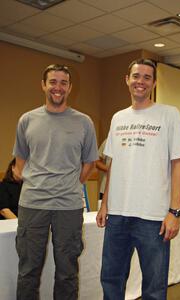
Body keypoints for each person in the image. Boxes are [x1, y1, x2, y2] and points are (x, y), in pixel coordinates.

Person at [96, 59, 180, 300]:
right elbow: (113, 164)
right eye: (136, 76)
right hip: (117, 216)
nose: (141, 81)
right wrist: (105, 204)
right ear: (127, 80)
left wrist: (174, 212)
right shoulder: (118, 118)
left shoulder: (169, 115)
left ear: (154, 83)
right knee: (111, 280)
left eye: (147, 77)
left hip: (153, 217)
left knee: (154, 287)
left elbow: (178, 164)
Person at [13, 64, 98, 300]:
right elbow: (20, 162)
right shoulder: (27, 120)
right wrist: (37, 183)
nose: (57, 87)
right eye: (52, 82)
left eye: (63, 83)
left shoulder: (84, 122)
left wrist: (70, 183)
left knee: (67, 272)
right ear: (43, 85)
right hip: (32, 205)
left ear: (70, 87)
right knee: (28, 270)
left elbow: (89, 163)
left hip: (68, 207)